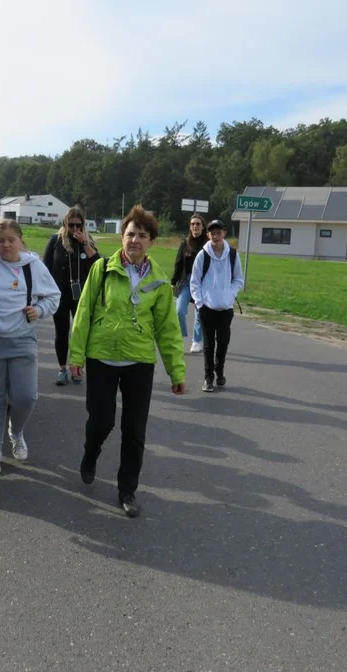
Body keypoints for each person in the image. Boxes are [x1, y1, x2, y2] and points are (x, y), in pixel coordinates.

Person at [69, 205, 186, 517]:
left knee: (135, 431)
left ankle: (127, 490)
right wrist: (76, 355)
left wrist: (176, 371)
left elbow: (168, 329)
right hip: (101, 357)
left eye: (142, 235)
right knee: (101, 421)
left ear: (151, 242)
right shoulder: (102, 269)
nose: (135, 239)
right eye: (130, 234)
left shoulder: (160, 281)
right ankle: (90, 453)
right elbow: (83, 314)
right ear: (122, 237)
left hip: (139, 361)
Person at [0, 220, 61, 474]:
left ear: (20, 241)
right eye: (0, 240)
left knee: (26, 397)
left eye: (10, 240)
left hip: (23, 340)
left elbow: (54, 296)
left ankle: (17, 431)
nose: (5, 245)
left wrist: (39, 309)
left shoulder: (33, 266)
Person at [43, 207, 100, 386]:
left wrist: (84, 243)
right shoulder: (55, 240)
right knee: (62, 331)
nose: (75, 228)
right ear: (65, 224)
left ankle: (77, 367)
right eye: (71, 225)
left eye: (79, 225)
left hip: (81, 294)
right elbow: (45, 268)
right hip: (59, 294)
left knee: (80, 332)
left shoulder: (88, 241)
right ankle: (62, 368)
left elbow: (97, 265)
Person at [190, 218, 244, 393]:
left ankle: (219, 372)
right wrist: (199, 303)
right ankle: (208, 378)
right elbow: (195, 282)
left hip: (226, 309)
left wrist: (230, 295)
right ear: (208, 235)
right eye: (212, 233)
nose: (215, 235)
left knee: (222, 343)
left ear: (224, 233)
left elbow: (238, 280)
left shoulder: (233, 255)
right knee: (208, 345)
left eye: (218, 232)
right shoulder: (202, 255)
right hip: (207, 308)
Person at [171, 214, 207, 354]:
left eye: (198, 224)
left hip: (202, 283)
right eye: (192, 224)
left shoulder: (208, 244)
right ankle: (180, 338)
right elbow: (178, 264)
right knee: (179, 311)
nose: (195, 226)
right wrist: (173, 282)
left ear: (202, 226)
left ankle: (197, 341)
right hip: (186, 281)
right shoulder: (184, 243)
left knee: (200, 313)